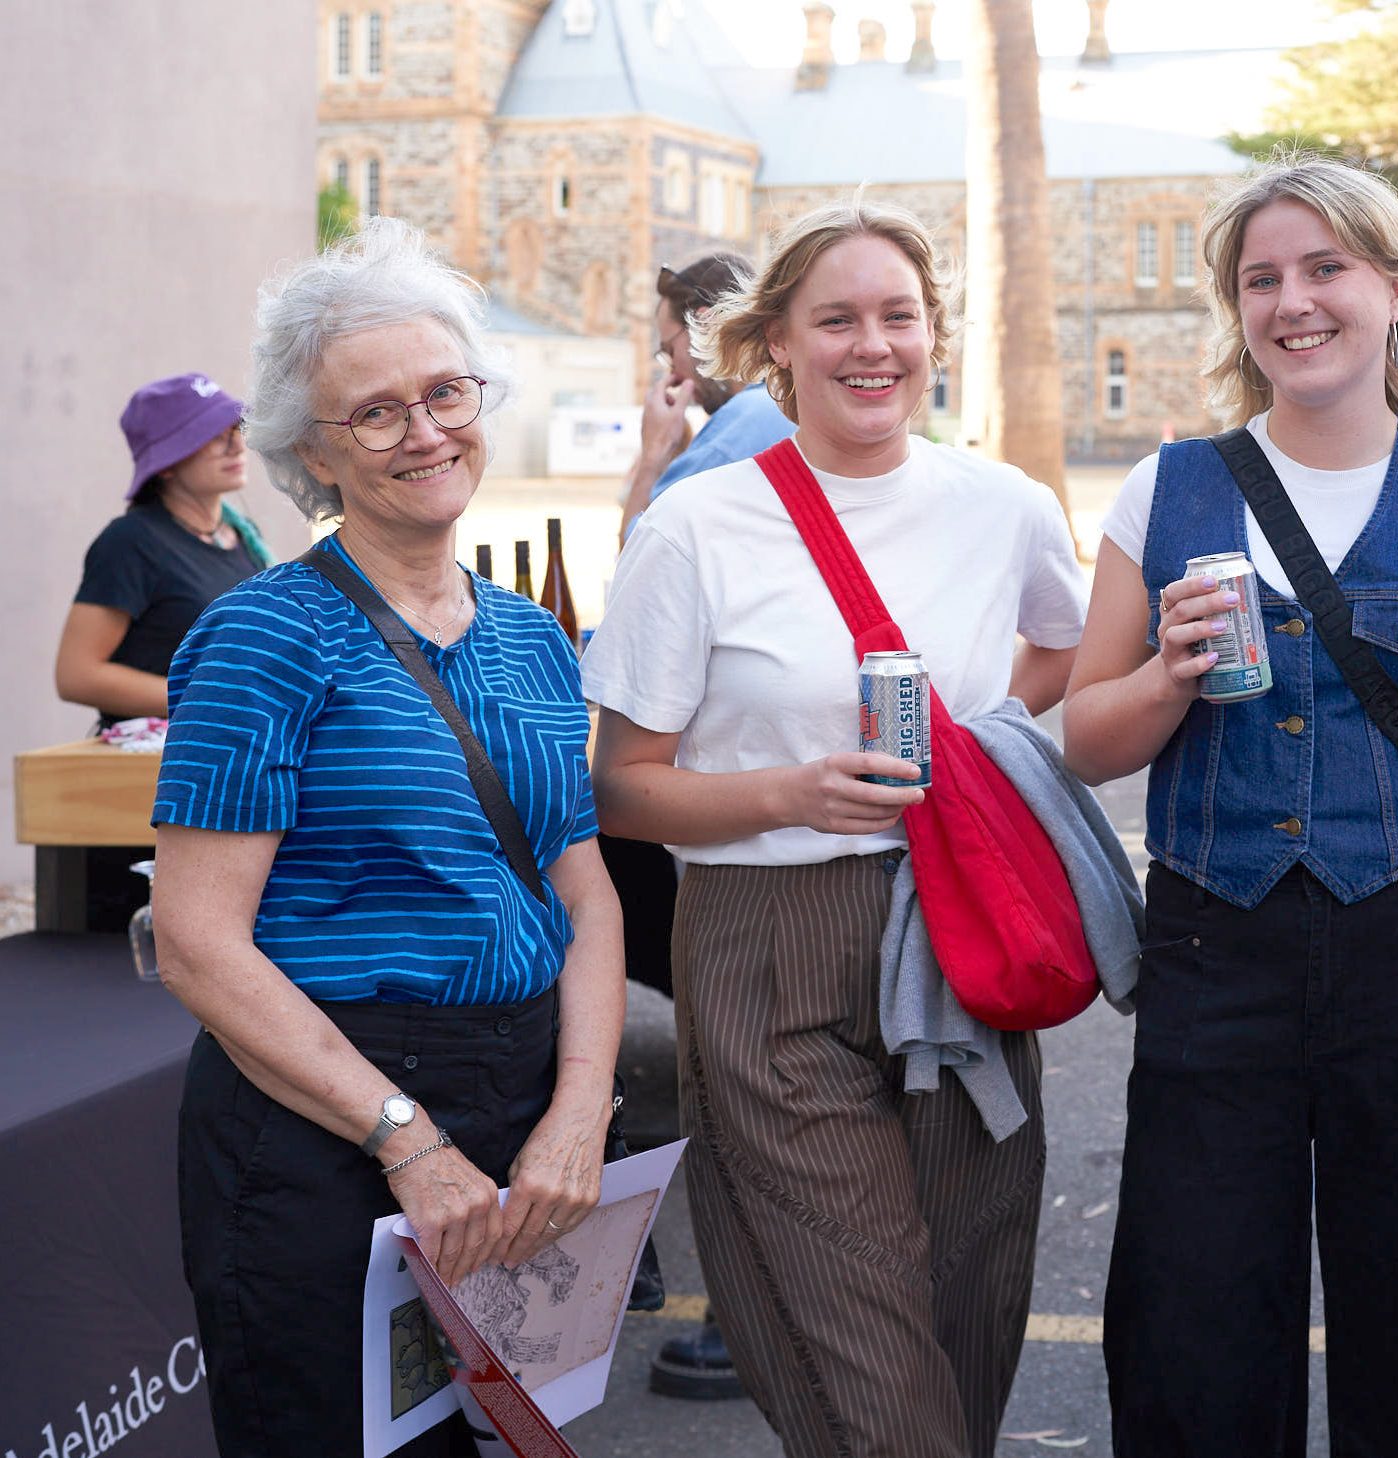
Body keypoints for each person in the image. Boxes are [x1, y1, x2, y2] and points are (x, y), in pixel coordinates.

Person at [1065, 154, 1398, 1455]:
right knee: (1192, 1314)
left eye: (1323, 268)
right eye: (1260, 278)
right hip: (1210, 946)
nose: (1293, 300)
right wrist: (1169, 672)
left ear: (1391, 290)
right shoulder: (1161, 490)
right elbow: (1083, 739)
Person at [583, 197, 1086, 1458]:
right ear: (777, 348)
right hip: (765, 938)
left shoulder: (1004, 506)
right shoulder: (695, 528)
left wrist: (974, 751)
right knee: (848, 1314)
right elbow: (620, 785)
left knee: (969, 1287)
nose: (874, 346)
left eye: (899, 317)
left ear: (934, 338)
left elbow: (1066, 645)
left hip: (958, 925)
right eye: (838, 319)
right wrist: (788, 792)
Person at [151, 217, 625, 1458]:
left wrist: (578, 1110)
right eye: (375, 414)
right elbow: (200, 947)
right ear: (314, 449)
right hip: (324, 1120)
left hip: (521, 1102)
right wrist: (405, 1140)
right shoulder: (264, 636)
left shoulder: (529, 639)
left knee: (515, 1436)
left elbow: (583, 892)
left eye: (444, 392)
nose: (424, 432)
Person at [603, 250, 796, 1403]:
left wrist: (648, 463)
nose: (661, 357)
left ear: (696, 340)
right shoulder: (781, 435)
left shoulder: (722, 455)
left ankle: (741, 1306)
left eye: (665, 336)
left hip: (722, 810)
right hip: (774, 801)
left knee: (747, 1064)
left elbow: (634, 608)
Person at [56, 373, 276, 930]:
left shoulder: (239, 539)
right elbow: (77, 674)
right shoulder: (131, 542)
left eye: (235, 428)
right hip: (148, 798)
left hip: (231, 777)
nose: (234, 443)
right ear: (168, 461)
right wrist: (210, 703)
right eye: (210, 433)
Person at [616, 252, 795, 542]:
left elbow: (637, 551)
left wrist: (653, 454)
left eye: (670, 350)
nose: (672, 374)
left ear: (706, 325)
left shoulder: (740, 426)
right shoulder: (783, 402)